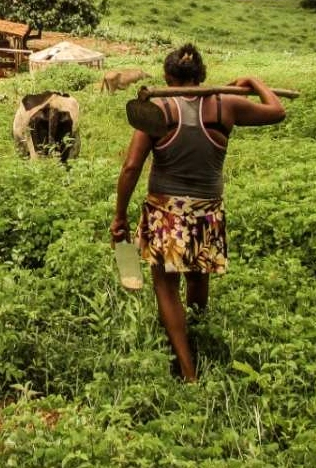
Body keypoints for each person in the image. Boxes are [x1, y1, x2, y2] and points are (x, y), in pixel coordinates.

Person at [110, 43, 287, 381]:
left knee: (165, 285)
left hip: (166, 211)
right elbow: (277, 111)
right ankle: (200, 336)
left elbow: (132, 166)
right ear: (203, 76)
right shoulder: (227, 105)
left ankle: (188, 369)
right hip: (208, 210)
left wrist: (120, 216)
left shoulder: (158, 109)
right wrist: (254, 80)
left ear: (166, 76)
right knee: (197, 273)